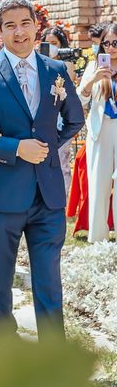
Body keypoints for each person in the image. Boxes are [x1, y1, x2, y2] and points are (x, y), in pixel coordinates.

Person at [0, 0, 84, 341]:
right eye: (10, 26)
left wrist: (44, 149)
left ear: (36, 27)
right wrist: (16, 148)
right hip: (1, 195)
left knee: (49, 278)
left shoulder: (56, 71)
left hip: (48, 197)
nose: (19, 32)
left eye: (25, 23)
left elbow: (74, 120)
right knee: (1, 278)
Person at [77, 23, 117, 242]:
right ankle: (98, 236)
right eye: (106, 43)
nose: (110, 48)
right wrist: (94, 79)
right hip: (100, 130)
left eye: (115, 43)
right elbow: (80, 98)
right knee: (99, 182)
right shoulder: (94, 67)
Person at [41, 27, 77, 195]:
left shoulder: (66, 64)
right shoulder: (37, 62)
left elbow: (68, 90)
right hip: (42, 117)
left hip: (60, 117)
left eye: (54, 43)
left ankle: (61, 198)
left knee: (61, 159)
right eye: (48, 43)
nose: (51, 46)